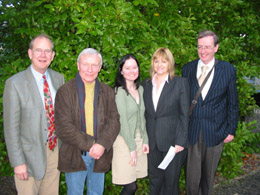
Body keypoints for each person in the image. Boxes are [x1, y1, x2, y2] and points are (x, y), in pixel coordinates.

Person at [3, 34, 64, 195]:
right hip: (28, 157)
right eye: (38, 50)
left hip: (54, 151)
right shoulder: (14, 84)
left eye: (47, 51)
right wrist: (18, 162)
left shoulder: (59, 79)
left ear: (52, 55)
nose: (43, 55)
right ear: (30, 53)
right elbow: (11, 128)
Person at [55, 48, 120, 195]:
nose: (90, 69)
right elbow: (63, 126)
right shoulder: (65, 91)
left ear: (100, 67)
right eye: (85, 64)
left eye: (94, 65)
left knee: (96, 193)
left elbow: (114, 120)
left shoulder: (107, 91)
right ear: (78, 65)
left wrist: (102, 144)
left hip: (100, 155)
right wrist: (92, 144)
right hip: (75, 153)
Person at [182, 30, 239, 195]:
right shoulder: (187, 69)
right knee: (191, 180)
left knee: (208, 179)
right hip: (192, 132)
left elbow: (233, 103)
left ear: (216, 48)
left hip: (216, 132)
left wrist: (231, 130)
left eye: (207, 47)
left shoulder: (227, 70)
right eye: (200, 47)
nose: (203, 51)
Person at [143, 47, 190, 195]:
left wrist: (180, 141)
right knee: (154, 180)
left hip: (172, 143)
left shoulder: (180, 83)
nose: (159, 65)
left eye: (164, 61)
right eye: (156, 61)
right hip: (152, 142)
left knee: (171, 183)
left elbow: (184, 115)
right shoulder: (146, 84)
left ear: (170, 63)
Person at [112, 54, 149, 194]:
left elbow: (142, 117)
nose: (132, 71)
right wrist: (131, 147)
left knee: (135, 179)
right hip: (124, 141)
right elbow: (122, 122)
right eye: (127, 68)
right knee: (130, 185)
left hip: (139, 139)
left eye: (134, 67)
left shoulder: (140, 89)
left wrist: (145, 139)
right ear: (121, 71)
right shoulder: (119, 92)